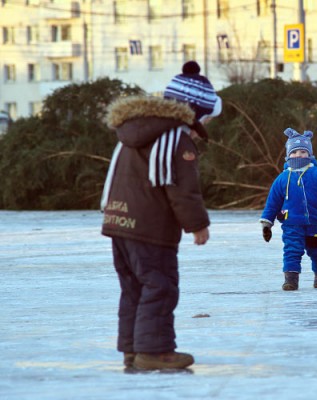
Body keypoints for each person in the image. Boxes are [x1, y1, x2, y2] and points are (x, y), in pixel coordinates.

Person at [100, 61, 220, 371]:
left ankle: (132, 349)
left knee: (134, 287)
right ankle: (155, 351)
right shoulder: (174, 139)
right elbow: (181, 187)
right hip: (150, 228)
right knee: (160, 285)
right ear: (194, 111)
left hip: (119, 222)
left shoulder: (137, 132)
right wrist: (198, 225)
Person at [260, 128, 317, 291]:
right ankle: (291, 279)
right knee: (292, 250)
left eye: (303, 152)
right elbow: (273, 202)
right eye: (295, 151)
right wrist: (267, 223)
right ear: (288, 155)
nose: (298, 155)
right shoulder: (282, 178)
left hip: (315, 222)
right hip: (291, 224)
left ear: (310, 154)